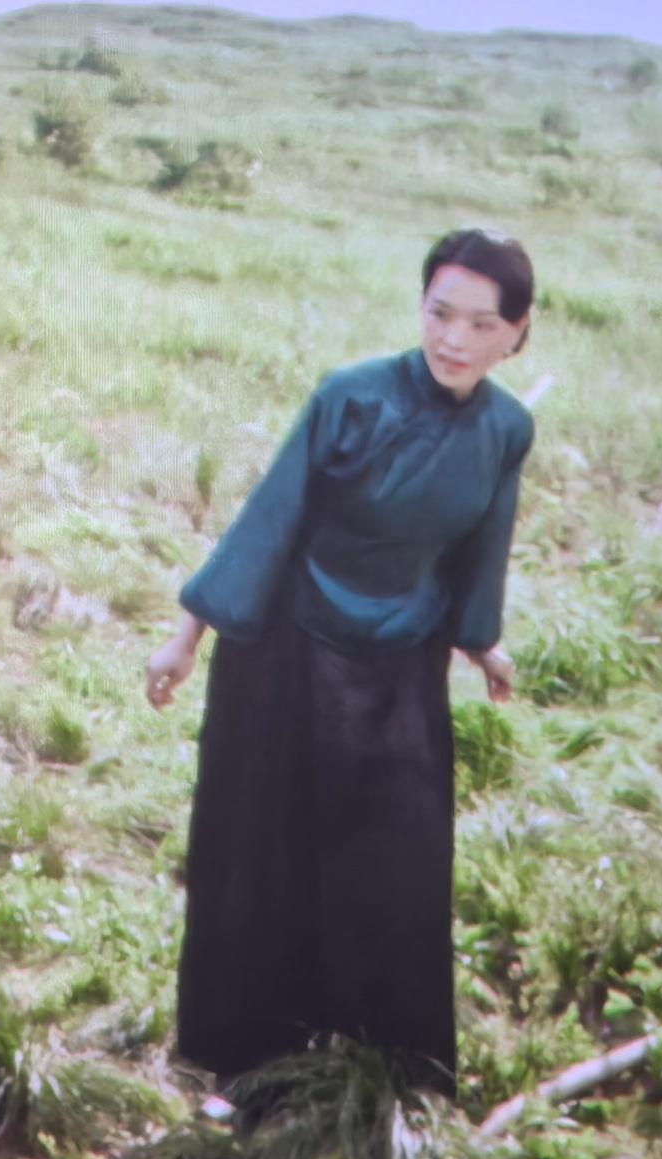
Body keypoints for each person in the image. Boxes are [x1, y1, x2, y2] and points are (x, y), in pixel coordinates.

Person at [142, 228, 539, 1099]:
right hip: (284, 648)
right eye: (440, 314)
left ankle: (387, 1073)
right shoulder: (351, 397)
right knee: (262, 854)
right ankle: (241, 1067)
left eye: (481, 323)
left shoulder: (508, 429)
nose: (455, 341)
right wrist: (186, 638)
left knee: (393, 857)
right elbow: (268, 521)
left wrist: (483, 641)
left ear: (517, 331)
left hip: (401, 662)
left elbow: (484, 543)